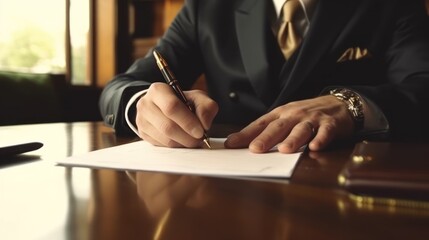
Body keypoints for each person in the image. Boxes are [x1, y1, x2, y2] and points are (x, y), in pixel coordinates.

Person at [99, 0, 429, 153]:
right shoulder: (207, 7)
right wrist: (143, 103)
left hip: (341, 181)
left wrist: (353, 105)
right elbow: (119, 88)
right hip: (224, 183)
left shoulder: (391, 5)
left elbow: (422, 87)